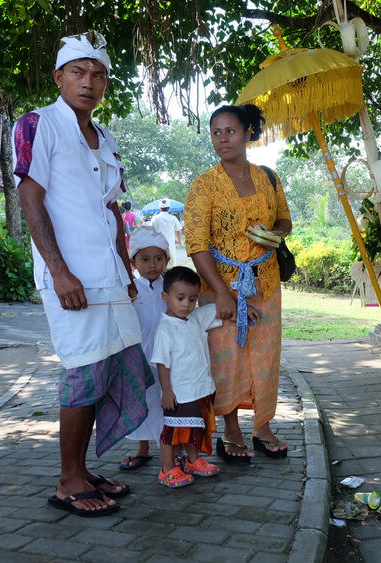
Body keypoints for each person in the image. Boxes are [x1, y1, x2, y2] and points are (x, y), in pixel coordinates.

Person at [14, 31, 152, 517]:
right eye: (78, 72)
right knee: (82, 371)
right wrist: (59, 271)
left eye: (98, 74)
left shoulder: (105, 138)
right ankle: (67, 481)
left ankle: (83, 469)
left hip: (109, 275)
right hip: (70, 277)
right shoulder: (37, 124)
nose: (88, 82)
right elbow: (30, 200)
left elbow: (111, 211)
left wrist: (127, 268)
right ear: (59, 76)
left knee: (108, 368)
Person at [185, 104, 292, 462]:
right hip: (222, 288)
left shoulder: (268, 177)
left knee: (265, 358)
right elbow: (197, 245)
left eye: (230, 131)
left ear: (248, 133)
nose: (222, 139)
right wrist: (220, 293)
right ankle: (230, 431)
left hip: (267, 282)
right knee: (226, 360)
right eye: (216, 133)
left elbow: (285, 223)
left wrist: (272, 236)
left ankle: (262, 427)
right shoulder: (203, 186)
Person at [150, 266, 222, 487]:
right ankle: (168, 469)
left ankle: (192, 461)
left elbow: (222, 309)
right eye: (180, 298)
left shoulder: (195, 319)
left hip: (200, 389)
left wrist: (244, 308)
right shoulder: (165, 329)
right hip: (179, 392)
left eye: (192, 299)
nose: (186, 305)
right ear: (165, 297)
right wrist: (167, 391)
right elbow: (162, 363)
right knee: (172, 433)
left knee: (193, 429)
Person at [119, 226, 171, 471]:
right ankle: (143, 448)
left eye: (159, 258)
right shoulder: (129, 290)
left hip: (168, 358)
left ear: (167, 260)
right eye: (145, 259)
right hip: (139, 356)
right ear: (133, 262)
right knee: (141, 400)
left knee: (168, 400)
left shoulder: (172, 288)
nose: (153, 265)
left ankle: (173, 449)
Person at [151, 198, 183, 266]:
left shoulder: (155, 218)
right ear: (169, 208)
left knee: (160, 266)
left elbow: (151, 232)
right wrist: (179, 241)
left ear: (160, 208)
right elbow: (178, 230)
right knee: (172, 266)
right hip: (170, 246)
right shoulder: (173, 218)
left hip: (158, 246)